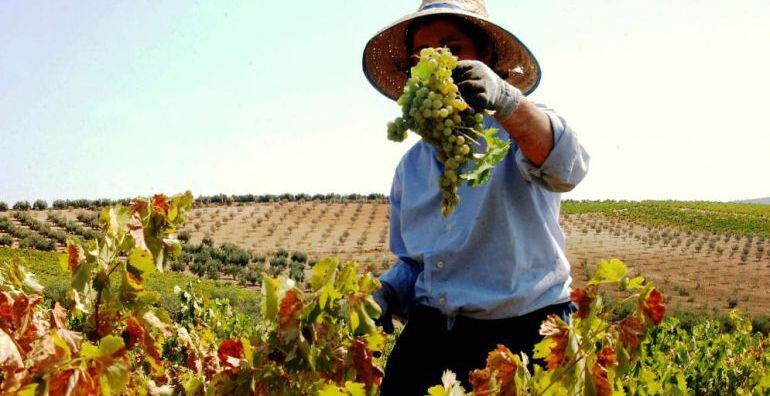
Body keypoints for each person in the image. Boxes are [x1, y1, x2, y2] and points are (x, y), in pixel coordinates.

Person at [362, 0, 590, 394]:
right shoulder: (411, 168)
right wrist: (386, 291)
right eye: (426, 57)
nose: (441, 65)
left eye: (453, 49)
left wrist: (506, 100)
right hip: (435, 333)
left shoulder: (518, 132)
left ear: (484, 55)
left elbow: (569, 166)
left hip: (525, 335)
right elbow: (419, 264)